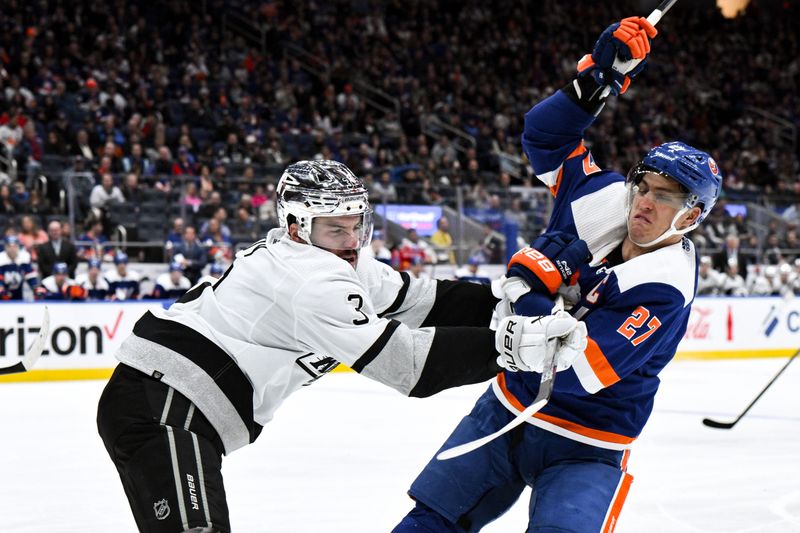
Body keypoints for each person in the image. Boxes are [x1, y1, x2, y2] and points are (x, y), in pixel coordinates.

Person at [394, 15, 723, 532]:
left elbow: (575, 371)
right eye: (644, 185)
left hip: (587, 442)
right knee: (430, 521)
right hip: (506, 410)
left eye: (666, 196)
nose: (644, 202)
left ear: (692, 215)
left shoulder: (665, 288)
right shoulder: (605, 200)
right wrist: (596, 79)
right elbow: (544, 137)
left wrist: (529, 288)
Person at [97, 160, 551, 532]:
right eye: (337, 230)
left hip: (170, 405)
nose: (353, 242)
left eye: (357, 226)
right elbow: (407, 365)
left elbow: (422, 302)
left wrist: (502, 298)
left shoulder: (335, 259)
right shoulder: (308, 278)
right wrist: (513, 347)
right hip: (164, 407)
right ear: (296, 227)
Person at [0, 235, 39, 300]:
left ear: (18, 247)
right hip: (3, 291)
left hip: (18, 291)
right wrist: (1, 289)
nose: (12, 249)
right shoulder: (1, 258)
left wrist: (35, 288)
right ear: (5, 247)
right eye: (9, 246)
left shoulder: (24, 257)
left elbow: (30, 275)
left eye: (14, 246)